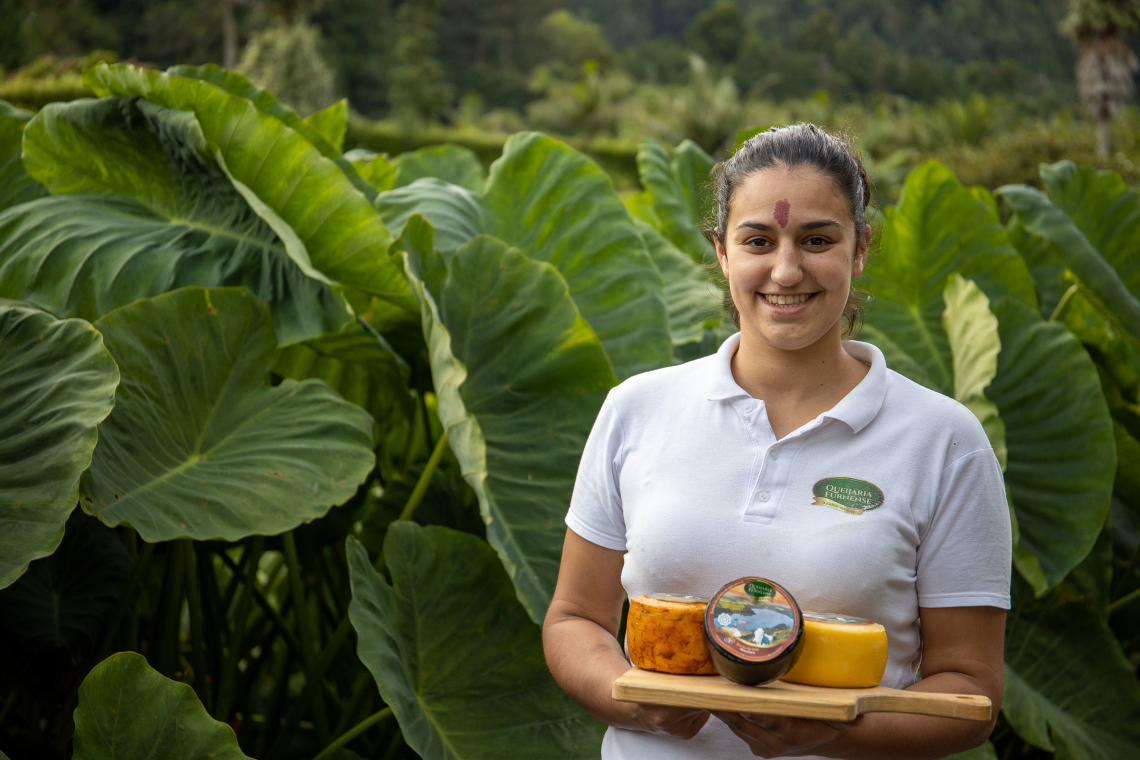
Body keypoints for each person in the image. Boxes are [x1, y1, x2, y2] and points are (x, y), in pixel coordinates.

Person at [542, 124, 1012, 759]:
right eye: (758, 240)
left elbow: (972, 694)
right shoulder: (637, 409)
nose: (786, 271)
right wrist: (630, 698)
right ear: (721, 252)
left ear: (862, 247)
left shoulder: (944, 441)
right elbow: (575, 620)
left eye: (817, 240)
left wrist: (838, 731)